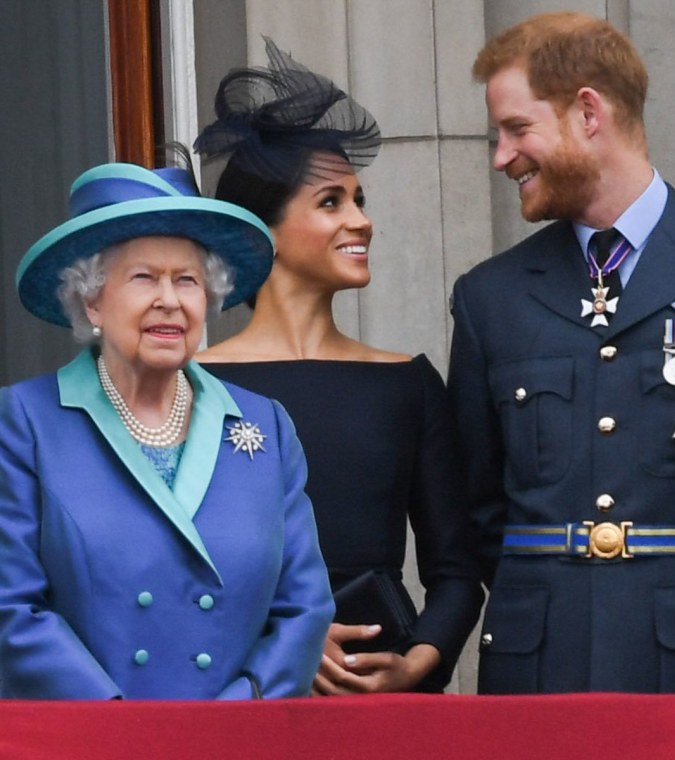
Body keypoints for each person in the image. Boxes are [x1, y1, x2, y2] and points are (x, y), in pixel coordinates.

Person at [448, 10, 675, 694]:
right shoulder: (490, 297)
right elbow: (476, 505)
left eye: (517, 129)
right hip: (540, 667)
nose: (501, 157)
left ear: (588, 113)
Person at [194, 38, 483, 695]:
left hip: (384, 696)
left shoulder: (408, 380)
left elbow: (457, 572)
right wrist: (279, 634)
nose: (363, 221)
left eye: (359, 199)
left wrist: (419, 661)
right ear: (261, 232)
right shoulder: (190, 385)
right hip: (239, 692)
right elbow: (163, 569)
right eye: (332, 203)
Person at [0, 151, 335, 699]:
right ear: (92, 302)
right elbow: (10, 606)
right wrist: (128, 729)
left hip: (234, 743)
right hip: (91, 744)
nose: (169, 301)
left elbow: (305, 606)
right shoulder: (25, 424)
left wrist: (238, 710)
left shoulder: (265, 427)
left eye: (187, 280)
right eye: (143, 278)